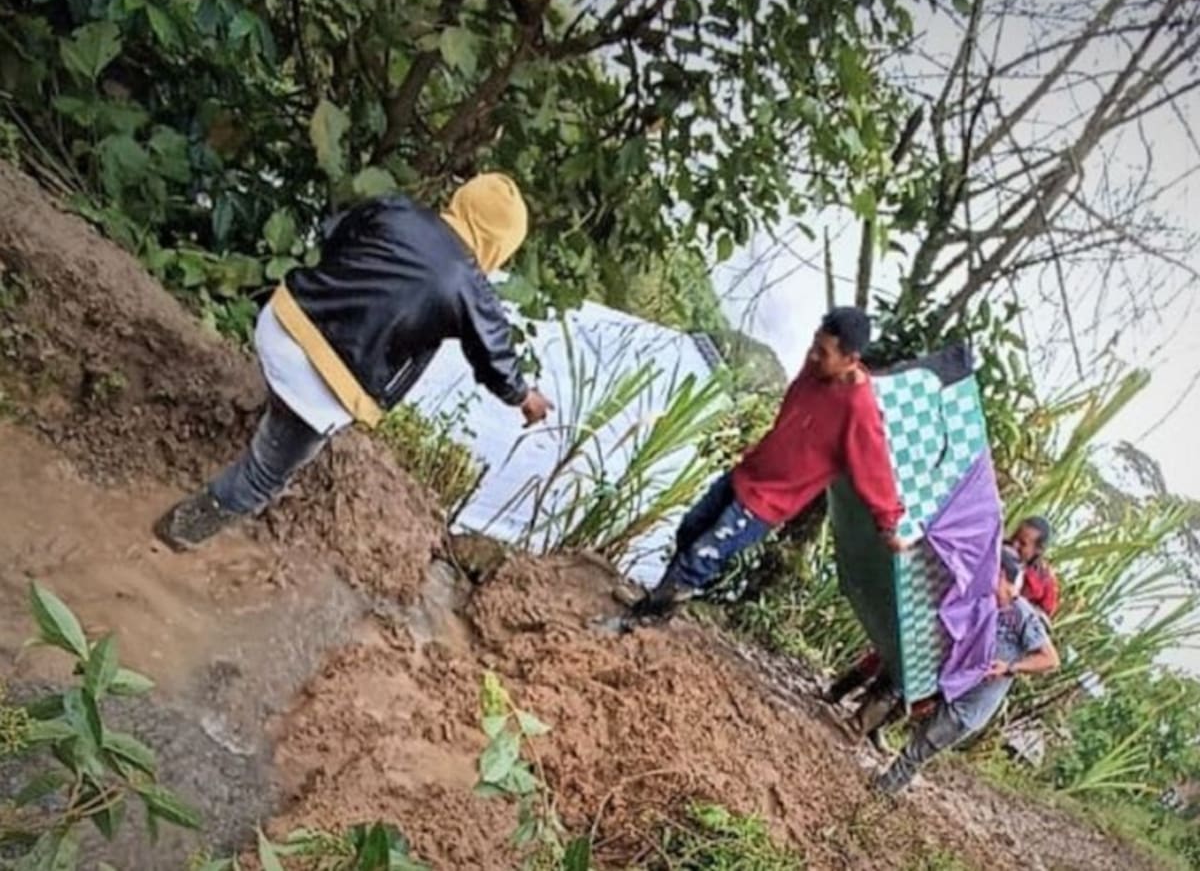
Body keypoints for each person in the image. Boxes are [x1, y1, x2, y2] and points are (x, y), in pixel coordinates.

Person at [155, 173, 553, 550]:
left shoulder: (397, 210)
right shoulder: (471, 289)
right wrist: (525, 397)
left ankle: (273, 411)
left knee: (287, 396)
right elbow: (496, 360)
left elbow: (336, 233)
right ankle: (178, 531)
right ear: (500, 247)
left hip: (282, 323)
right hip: (324, 390)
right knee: (264, 477)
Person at [631, 306, 905, 618]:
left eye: (823, 352)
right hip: (749, 471)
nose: (813, 355)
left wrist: (888, 525)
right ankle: (662, 599)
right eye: (814, 344)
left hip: (768, 501)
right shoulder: (815, 367)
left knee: (703, 554)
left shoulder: (860, 411)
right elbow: (796, 418)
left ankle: (645, 617)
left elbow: (874, 470)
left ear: (850, 360)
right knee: (692, 527)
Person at [873, 548, 1059, 795]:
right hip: (956, 691)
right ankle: (885, 787)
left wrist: (1010, 668)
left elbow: (1050, 659)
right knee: (919, 741)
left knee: (920, 748)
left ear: (1000, 574)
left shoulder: (1021, 614)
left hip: (970, 707)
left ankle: (882, 792)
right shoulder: (989, 605)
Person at [1008, 515, 1059, 619]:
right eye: (1014, 537)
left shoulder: (1045, 580)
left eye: (1023, 543)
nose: (1014, 545)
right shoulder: (997, 552)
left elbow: (1044, 618)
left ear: (1039, 549)